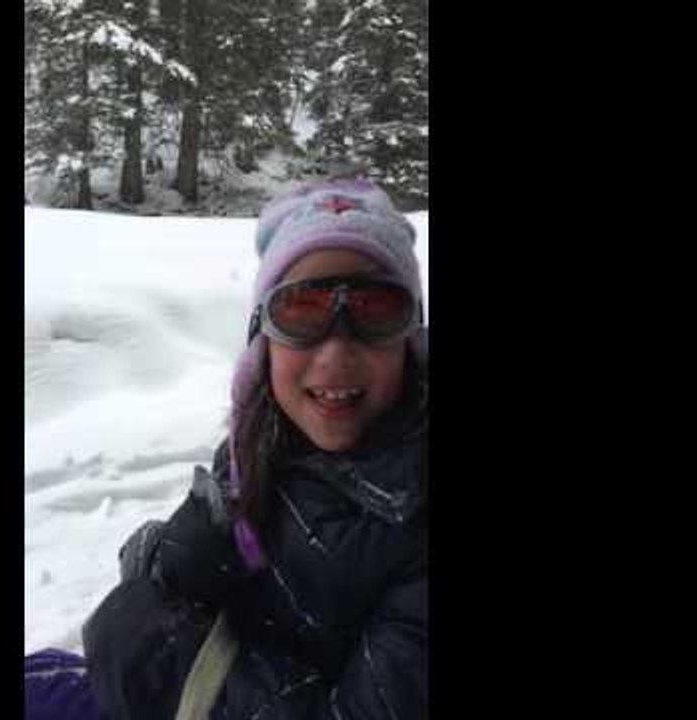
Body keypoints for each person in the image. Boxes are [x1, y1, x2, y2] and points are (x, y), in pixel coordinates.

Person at [26, 177, 428, 720]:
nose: (335, 352)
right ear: (261, 340)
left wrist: (172, 664)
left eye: (376, 308)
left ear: (412, 340)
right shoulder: (260, 448)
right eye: (302, 308)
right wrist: (172, 571)